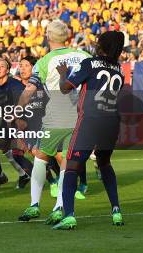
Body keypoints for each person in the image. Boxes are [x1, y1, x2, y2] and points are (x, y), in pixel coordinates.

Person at [18, 20, 90, 224]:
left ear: (49, 37)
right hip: (79, 119)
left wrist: (18, 108)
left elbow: (29, 90)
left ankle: (34, 205)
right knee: (67, 162)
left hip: (54, 119)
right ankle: (59, 207)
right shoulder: (85, 56)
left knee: (40, 157)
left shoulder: (45, 61)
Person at [53, 31, 126, 229]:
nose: (95, 42)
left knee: (71, 168)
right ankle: (116, 211)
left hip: (90, 122)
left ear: (102, 45)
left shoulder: (89, 63)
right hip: (111, 123)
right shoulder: (119, 70)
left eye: (97, 41)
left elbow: (65, 87)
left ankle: (69, 215)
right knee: (104, 163)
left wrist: (62, 74)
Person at [0, 57, 31, 189]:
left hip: (18, 124)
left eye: (2, 66)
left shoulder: (16, 85)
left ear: (8, 69)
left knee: (19, 154)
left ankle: (46, 178)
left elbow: (26, 101)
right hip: (2, 126)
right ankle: (1, 176)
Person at [17, 56, 61, 197]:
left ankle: (62, 178)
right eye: (20, 65)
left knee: (51, 155)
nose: (22, 68)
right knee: (37, 155)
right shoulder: (17, 87)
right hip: (29, 128)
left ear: (34, 68)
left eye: (26, 65)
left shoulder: (43, 84)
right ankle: (53, 181)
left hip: (46, 125)